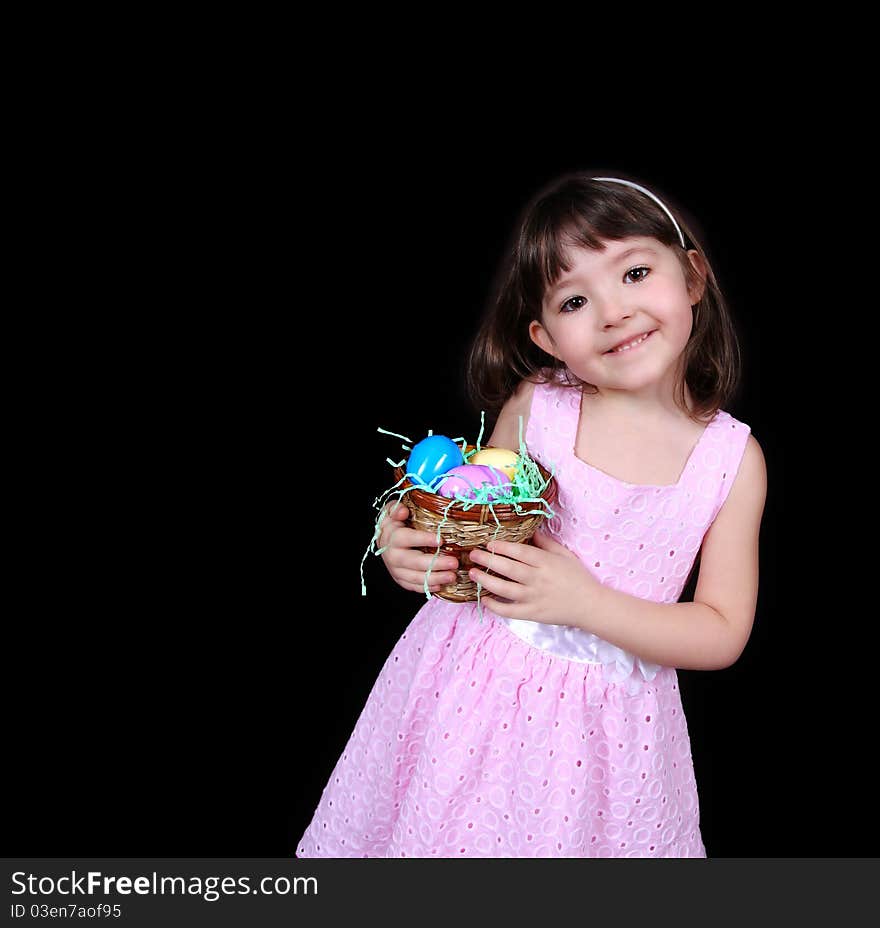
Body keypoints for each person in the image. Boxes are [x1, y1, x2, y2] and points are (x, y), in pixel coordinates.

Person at [296, 172, 767, 858]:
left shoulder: (731, 459)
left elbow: (721, 632)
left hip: (604, 737)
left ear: (694, 277)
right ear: (547, 337)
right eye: (577, 299)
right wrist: (413, 544)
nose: (613, 311)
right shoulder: (539, 407)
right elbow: (467, 519)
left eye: (636, 272)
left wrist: (587, 604)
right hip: (470, 690)